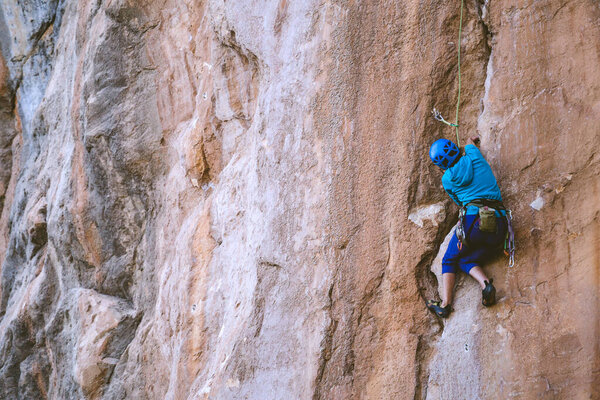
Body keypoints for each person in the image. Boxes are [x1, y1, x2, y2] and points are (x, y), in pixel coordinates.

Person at [426, 136, 508, 318]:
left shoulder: (447, 179)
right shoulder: (473, 155)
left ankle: (445, 304)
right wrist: (471, 140)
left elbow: (458, 202)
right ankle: (485, 284)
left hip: (474, 223)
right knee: (466, 260)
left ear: (441, 165)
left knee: (450, 259)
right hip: (500, 225)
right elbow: (470, 142)